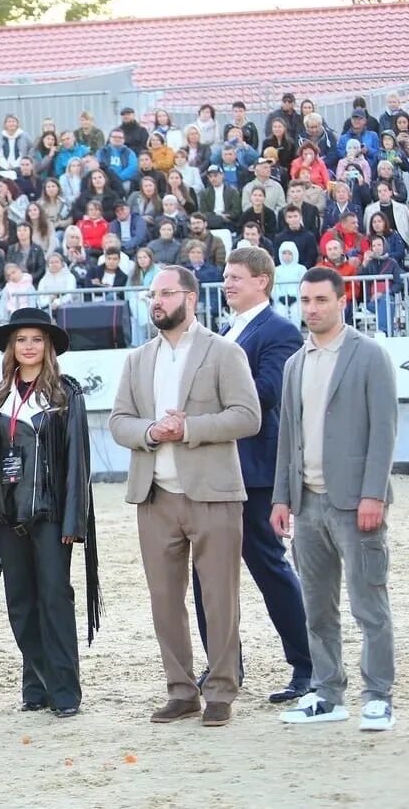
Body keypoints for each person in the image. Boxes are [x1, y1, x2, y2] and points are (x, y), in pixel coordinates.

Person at [109, 265, 261, 728]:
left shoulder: (224, 351)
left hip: (213, 493)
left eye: (166, 293)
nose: (156, 301)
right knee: (163, 599)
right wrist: (153, 431)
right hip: (155, 495)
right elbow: (118, 422)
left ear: (190, 297)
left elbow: (247, 416)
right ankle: (180, 690)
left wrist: (189, 428)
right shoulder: (137, 359)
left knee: (219, 598)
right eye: (152, 294)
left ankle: (219, 691)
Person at [185, 247, 313, 703]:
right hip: (217, 467)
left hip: (255, 470)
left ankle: (307, 664)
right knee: (207, 574)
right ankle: (224, 667)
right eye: (225, 276)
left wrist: (207, 401)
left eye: (236, 276)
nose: (228, 283)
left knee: (269, 569)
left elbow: (267, 393)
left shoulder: (278, 331)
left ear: (263, 280)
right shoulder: (227, 330)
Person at [273, 267, 397, 731]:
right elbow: (288, 435)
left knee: (369, 604)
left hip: (355, 504)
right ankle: (327, 693)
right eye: (305, 301)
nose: (311, 309)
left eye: (320, 300)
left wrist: (373, 495)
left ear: (341, 300)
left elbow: (384, 431)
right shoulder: (295, 364)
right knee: (317, 608)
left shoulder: (369, 356)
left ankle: (378, 696)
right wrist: (282, 498)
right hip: (307, 506)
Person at [0, 308, 99, 717]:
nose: (29, 346)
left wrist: (73, 520)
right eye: (21, 340)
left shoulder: (65, 394)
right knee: (20, 602)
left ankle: (63, 691)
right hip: (6, 518)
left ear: (48, 347)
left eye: (37, 339)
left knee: (54, 599)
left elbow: (79, 459)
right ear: (11, 347)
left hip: (50, 515)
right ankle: (36, 683)